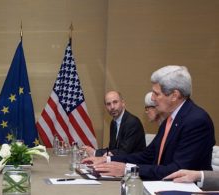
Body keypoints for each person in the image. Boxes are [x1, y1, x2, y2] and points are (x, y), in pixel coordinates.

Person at [83, 65, 215, 180]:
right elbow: (147, 156)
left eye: (156, 94)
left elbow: (177, 170)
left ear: (174, 95)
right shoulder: (170, 120)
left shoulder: (197, 121)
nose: (152, 98)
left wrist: (127, 170)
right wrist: (107, 160)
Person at [84, 91, 146, 157]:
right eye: (108, 104)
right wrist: (95, 151)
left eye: (115, 102)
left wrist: (95, 152)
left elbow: (124, 152)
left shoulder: (132, 122)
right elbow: (113, 150)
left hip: (135, 165)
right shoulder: (113, 123)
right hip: (120, 163)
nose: (112, 107)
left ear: (123, 103)